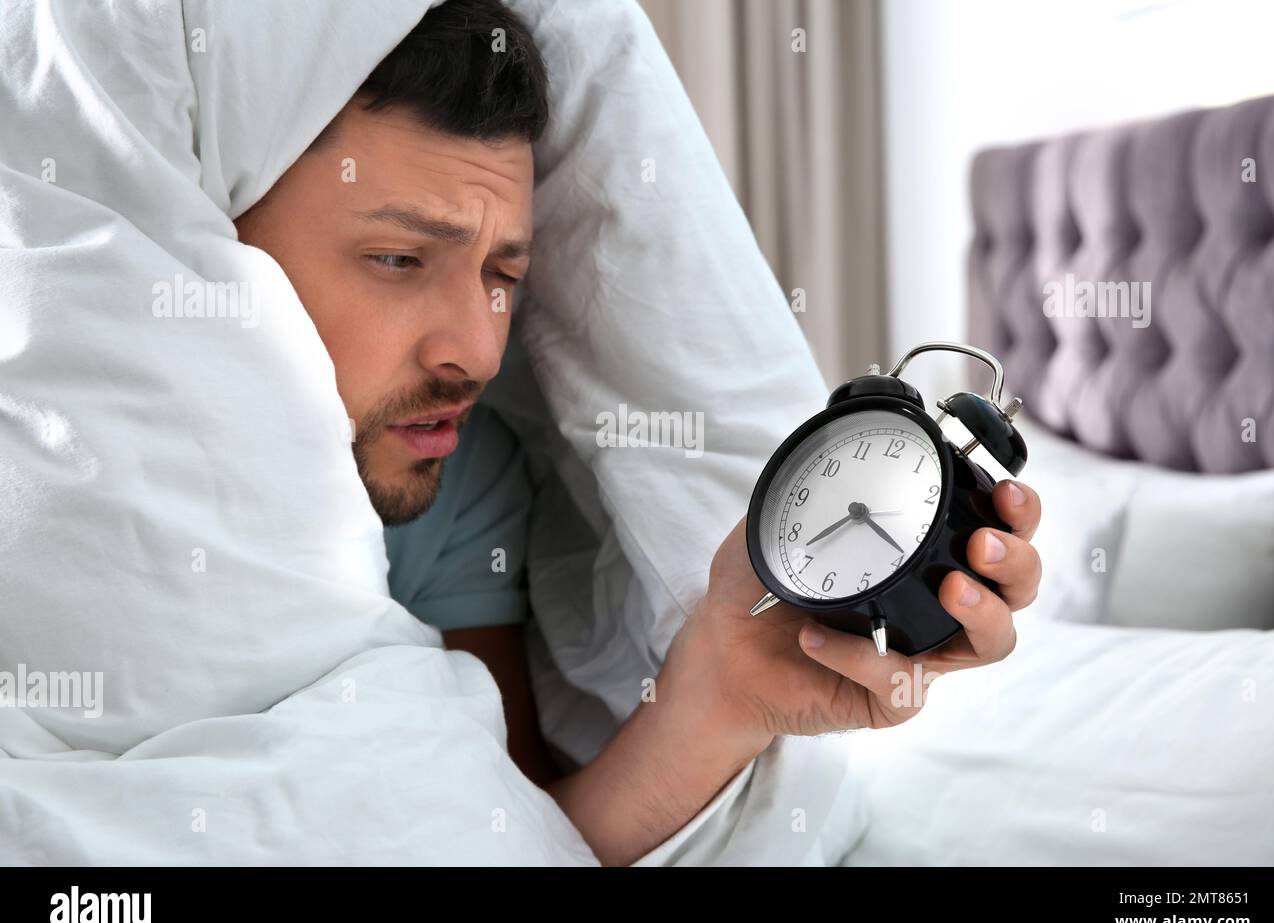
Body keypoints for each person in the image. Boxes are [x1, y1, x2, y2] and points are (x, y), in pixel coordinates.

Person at [234, 0, 1043, 865]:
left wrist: (723, 687)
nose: (476, 351)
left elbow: (523, 837)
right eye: (399, 259)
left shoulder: (467, 482)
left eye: (504, 272)